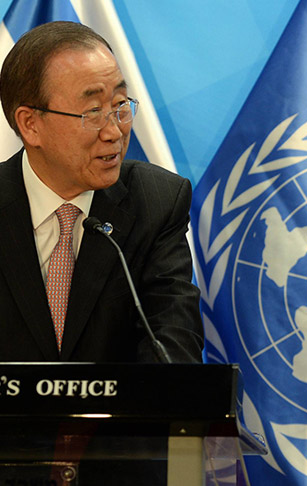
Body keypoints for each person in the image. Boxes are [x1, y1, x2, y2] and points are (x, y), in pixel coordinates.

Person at [0, 21, 203, 363]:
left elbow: (173, 350)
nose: (114, 131)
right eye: (93, 112)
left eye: (121, 104)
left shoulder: (157, 203)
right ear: (30, 124)